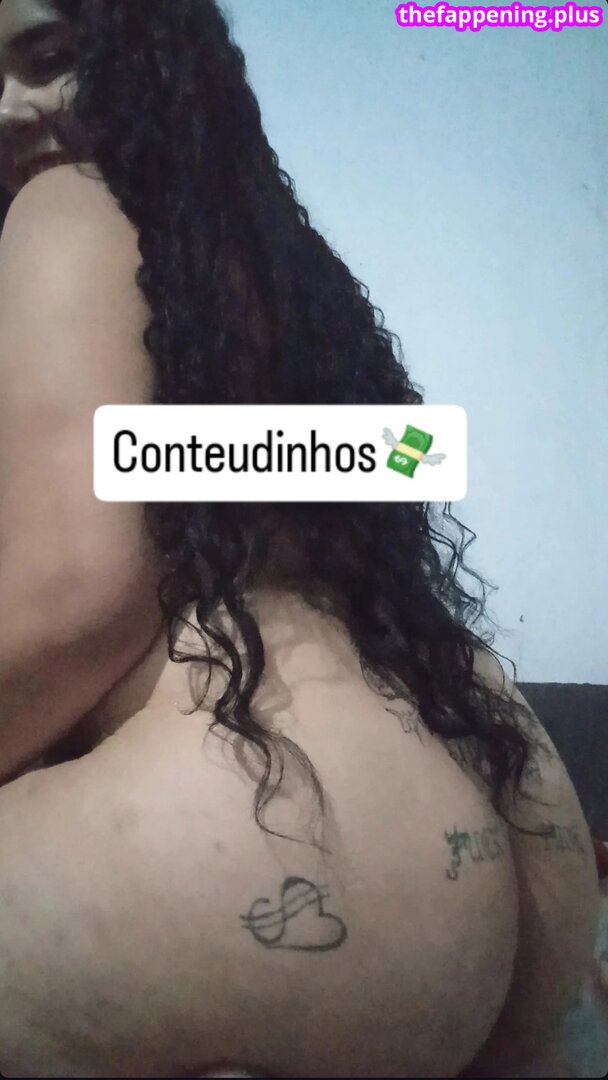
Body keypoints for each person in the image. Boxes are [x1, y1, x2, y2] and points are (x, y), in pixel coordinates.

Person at [0, 1, 600, 1077]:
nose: (8, 107)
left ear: (148, 53)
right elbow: (403, 464)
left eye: (44, 58)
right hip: (503, 829)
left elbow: (78, 591)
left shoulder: (66, 211)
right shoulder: (276, 270)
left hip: (257, 855)